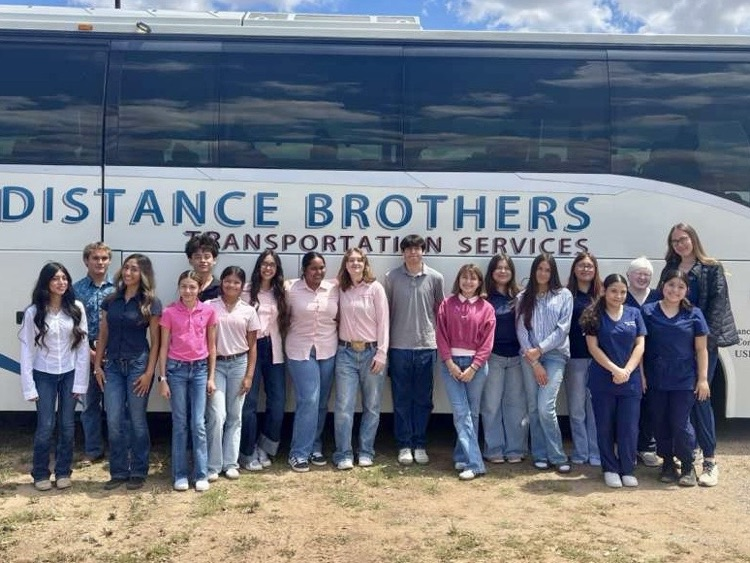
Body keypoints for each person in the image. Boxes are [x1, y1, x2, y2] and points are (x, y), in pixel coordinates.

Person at [659, 223, 738, 486]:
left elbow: (717, 308)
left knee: (701, 399)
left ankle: (710, 461)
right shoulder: (669, 269)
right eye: (675, 241)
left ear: (694, 239)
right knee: (677, 405)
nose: (680, 244)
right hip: (675, 351)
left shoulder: (711, 268)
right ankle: (684, 458)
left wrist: (701, 342)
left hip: (702, 347)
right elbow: (659, 304)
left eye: (684, 239)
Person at [19, 263, 89, 491]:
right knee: (46, 425)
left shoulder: (76, 308)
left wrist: (80, 382)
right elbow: (27, 350)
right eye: (56, 279)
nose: (61, 282)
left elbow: (82, 348)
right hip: (44, 374)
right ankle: (40, 473)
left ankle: (63, 472)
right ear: (46, 283)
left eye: (64, 278)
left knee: (68, 425)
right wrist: (29, 386)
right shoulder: (34, 312)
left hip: (69, 373)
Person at [94, 254, 161, 491]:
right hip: (112, 366)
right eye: (126, 268)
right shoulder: (111, 300)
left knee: (137, 421)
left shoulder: (150, 302)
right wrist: (97, 365)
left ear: (142, 274)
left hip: (137, 366)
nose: (128, 272)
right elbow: (103, 334)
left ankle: (139, 471)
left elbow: (156, 342)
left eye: (134, 269)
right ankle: (119, 471)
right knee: (113, 420)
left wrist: (149, 373)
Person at [642, 269, 710, 487]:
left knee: (680, 423)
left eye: (680, 286)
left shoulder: (694, 314)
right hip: (656, 378)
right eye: (671, 285)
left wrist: (702, 379)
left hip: (684, 379)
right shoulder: (648, 311)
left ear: (686, 291)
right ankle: (668, 463)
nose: (675, 290)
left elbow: (701, 350)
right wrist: (642, 376)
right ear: (663, 286)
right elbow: (639, 347)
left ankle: (688, 465)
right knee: (660, 422)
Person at [580, 274, 646, 488]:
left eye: (623, 292)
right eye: (614, 291)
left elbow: (640, 346)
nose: (618, 295)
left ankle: (627, 469)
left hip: (631, 380)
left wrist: (626, 370)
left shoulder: (634, 314)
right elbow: (593, 348)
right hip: (603, 380)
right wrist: (615, 369)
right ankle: (610, 468)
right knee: (605, 425)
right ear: (604, 291)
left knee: (628, 427)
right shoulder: (593, 315)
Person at [384, 234, 444, 466]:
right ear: (403, 253)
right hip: (398, 347)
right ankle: (404, 444)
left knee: (423, 400)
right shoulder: (391, 278)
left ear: (423, 251)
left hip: (426, 347)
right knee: (401, 400)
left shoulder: (435, 278)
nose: (413, 253)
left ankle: (419, 443)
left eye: (417, 249)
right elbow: (386, 313)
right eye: (408, 249)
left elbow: (440, 312)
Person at [158, 270, 217, 492]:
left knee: (199, 424)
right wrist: (162, 378)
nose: (188, 291)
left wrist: (211, 377)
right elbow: (163, 347)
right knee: (180, 424)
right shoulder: (169, 312)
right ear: (179, 288)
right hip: (176, 371)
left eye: (192, 287)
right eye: (184, 286)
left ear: (199, 288)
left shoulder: (208, 311)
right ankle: (180, 474)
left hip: (200, 370)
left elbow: (212, 347)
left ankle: (200, 473)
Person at [437, 264, 496, 480]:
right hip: (451, 363)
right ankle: (475, 463)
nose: (468, 282)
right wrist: (449, 362)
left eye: (473, 279)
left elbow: (487, 343)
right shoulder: (447, 304)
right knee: (461, 412)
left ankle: (463, 456)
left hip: (476, 366)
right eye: (464, 277)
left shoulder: (486, 308)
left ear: (479, 282)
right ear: (458, 280)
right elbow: (441, 335)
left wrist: (474, 366)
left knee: (472, 412)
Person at [516, 253, 573, 473]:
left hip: (555, 355)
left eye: (547, 270)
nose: (543, 273)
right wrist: (533, 360)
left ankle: (557, 456)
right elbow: (521, 330)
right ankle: (539, 454)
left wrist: (540, 350)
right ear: (533, 271)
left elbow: (563, 329)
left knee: (545, 407)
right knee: (533, 407)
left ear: (553, 272)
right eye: (539, 269)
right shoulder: (523, 297)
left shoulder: (564, 295)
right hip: (529, 358)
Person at [333, 248, 389, 470]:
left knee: (372, 406)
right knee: (344, 406)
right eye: (351, 260)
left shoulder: (375, 289)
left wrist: (382, 353)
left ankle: (366, 451)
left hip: (371, 353)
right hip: (345, 352)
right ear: (345, 264)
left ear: (365, 264)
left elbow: (384, 322)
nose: (355, 263)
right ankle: (343, 453)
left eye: (359, 260)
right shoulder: (340, 288)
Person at [285, 252, 339, 472]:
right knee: (309, 399)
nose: (318, 272)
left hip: (327, 349)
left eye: (322, 267)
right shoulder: (291, 290)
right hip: (300, 351)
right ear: (304, 270)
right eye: (313, 268)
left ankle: (315, 446)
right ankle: (298, 452)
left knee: (322, 402)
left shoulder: (333, 289)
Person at [206, 266, 260, 481]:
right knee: (217, 415)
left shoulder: (249, 310)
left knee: (235, 417)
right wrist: (209, 375)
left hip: (239, 364)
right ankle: (213, 464)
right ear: (222, 283)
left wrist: (249, 376)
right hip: (216, 364)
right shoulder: (210, 307)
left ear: (242, 286)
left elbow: (253, 347)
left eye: (236, 282)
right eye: (227, 281)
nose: (231, 285)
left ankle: (230, 463)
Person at [239, 250, 289, 470]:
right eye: (264, 264)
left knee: (277, 401)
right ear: (258, 266)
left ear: (277, 269)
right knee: (248, 402)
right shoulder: (246, 290)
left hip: (274, 348)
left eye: (272, 265)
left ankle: (266, 446)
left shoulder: (282, 292)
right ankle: (247, 451)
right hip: (251, 348)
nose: (268, 268)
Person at [72, 242, 115, 464]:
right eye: (95, 258)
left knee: (118, 404)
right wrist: (88, 351)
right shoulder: (75, 289)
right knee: (89, 404)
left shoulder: (117, 288)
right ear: (86, 261)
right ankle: (93, 450)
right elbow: (72, 325)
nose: (100, 262)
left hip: (115, 352)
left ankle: (119, 450)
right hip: (85, 351)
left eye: (104, 258)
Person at [481, 253, 525, 464]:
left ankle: (515, 449)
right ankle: (494, 449)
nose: (502, 271)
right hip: (493, 357)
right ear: (492, 271)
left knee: (515, 405)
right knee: (491, 405)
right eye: (498, 267)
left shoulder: (520, 297)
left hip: (517, 357)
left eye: (506, 268)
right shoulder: (484, 298)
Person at [564, 252, 602, 466]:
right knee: (577, 408)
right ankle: (580, 451)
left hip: (598, 359)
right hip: (574, 358)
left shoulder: (602, 295)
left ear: (595, 270)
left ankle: (595, 452)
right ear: (574, 269)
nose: (585, 269)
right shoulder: (566, 294)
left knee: (594, 408)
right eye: (581, 265)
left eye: (589, 266)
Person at [625, 256, 661, 468]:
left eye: (647, 274)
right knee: (626, 405)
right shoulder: (621, 295)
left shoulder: (657, 297)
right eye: (638, 272)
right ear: (629, 275)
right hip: (624, 359)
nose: (642, 277)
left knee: (650, 404)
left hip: (654, 359)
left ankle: (647, 447)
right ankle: (625, 446)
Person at [185, 233, 221, 302]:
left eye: (207, 257)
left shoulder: (221, 288)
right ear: (190, 261)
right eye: (198, 257)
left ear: (214, 260)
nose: (203, 260)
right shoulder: (186, 286)